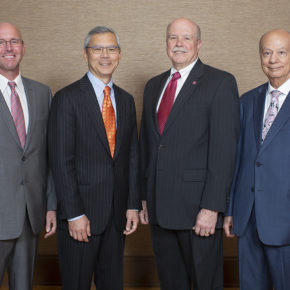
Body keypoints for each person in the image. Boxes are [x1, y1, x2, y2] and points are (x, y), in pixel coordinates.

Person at [139, 17, 240, 290]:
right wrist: (144, 198)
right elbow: (148, 146)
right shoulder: (153, 85)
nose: (179, 43)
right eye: (173, 37)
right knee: (171, 284)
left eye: (186, 38)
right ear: (166, 43)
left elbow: (224, 150)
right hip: (160, 208)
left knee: (205, 284)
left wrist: (212, 207)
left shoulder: (219, 82)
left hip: (198, 211)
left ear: (198, 43)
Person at [48, 26, 139, 290]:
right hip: (81, 217)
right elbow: (60, 161)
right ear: (85, 54)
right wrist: (75, 214)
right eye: (97, 49)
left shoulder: (126, 100)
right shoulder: (67, 99)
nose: (105, 55)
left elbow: (132, 154)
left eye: (111, 49)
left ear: (119, 54)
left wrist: (132, 204)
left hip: (116, 216)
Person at [224, 29, 290, 290]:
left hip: (285, 220)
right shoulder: (247, 100)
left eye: (282, 52)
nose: (273, 59)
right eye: (267, 52)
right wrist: (231, 210)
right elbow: (238, 157)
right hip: (247, 216)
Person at [0, 22, 57, 290]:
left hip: (29, 216)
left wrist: (50, 204)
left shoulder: (42, 93)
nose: (8, 48)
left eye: (14, 41)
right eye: (1, 42)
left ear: (23, 48)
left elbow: (47, 156)